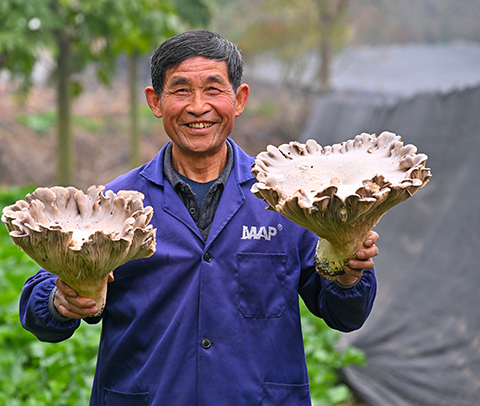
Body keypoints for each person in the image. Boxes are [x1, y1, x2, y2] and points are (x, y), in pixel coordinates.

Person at [20, 29, 379, 406]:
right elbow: (39, 305)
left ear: (238, 100)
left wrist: (349, 275)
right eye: (180, 90)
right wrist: (59, 302)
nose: (197, 106)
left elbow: (344, 315)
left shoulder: (288, 196)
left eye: (213, 89)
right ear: (155, 101)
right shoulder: (118, 204)